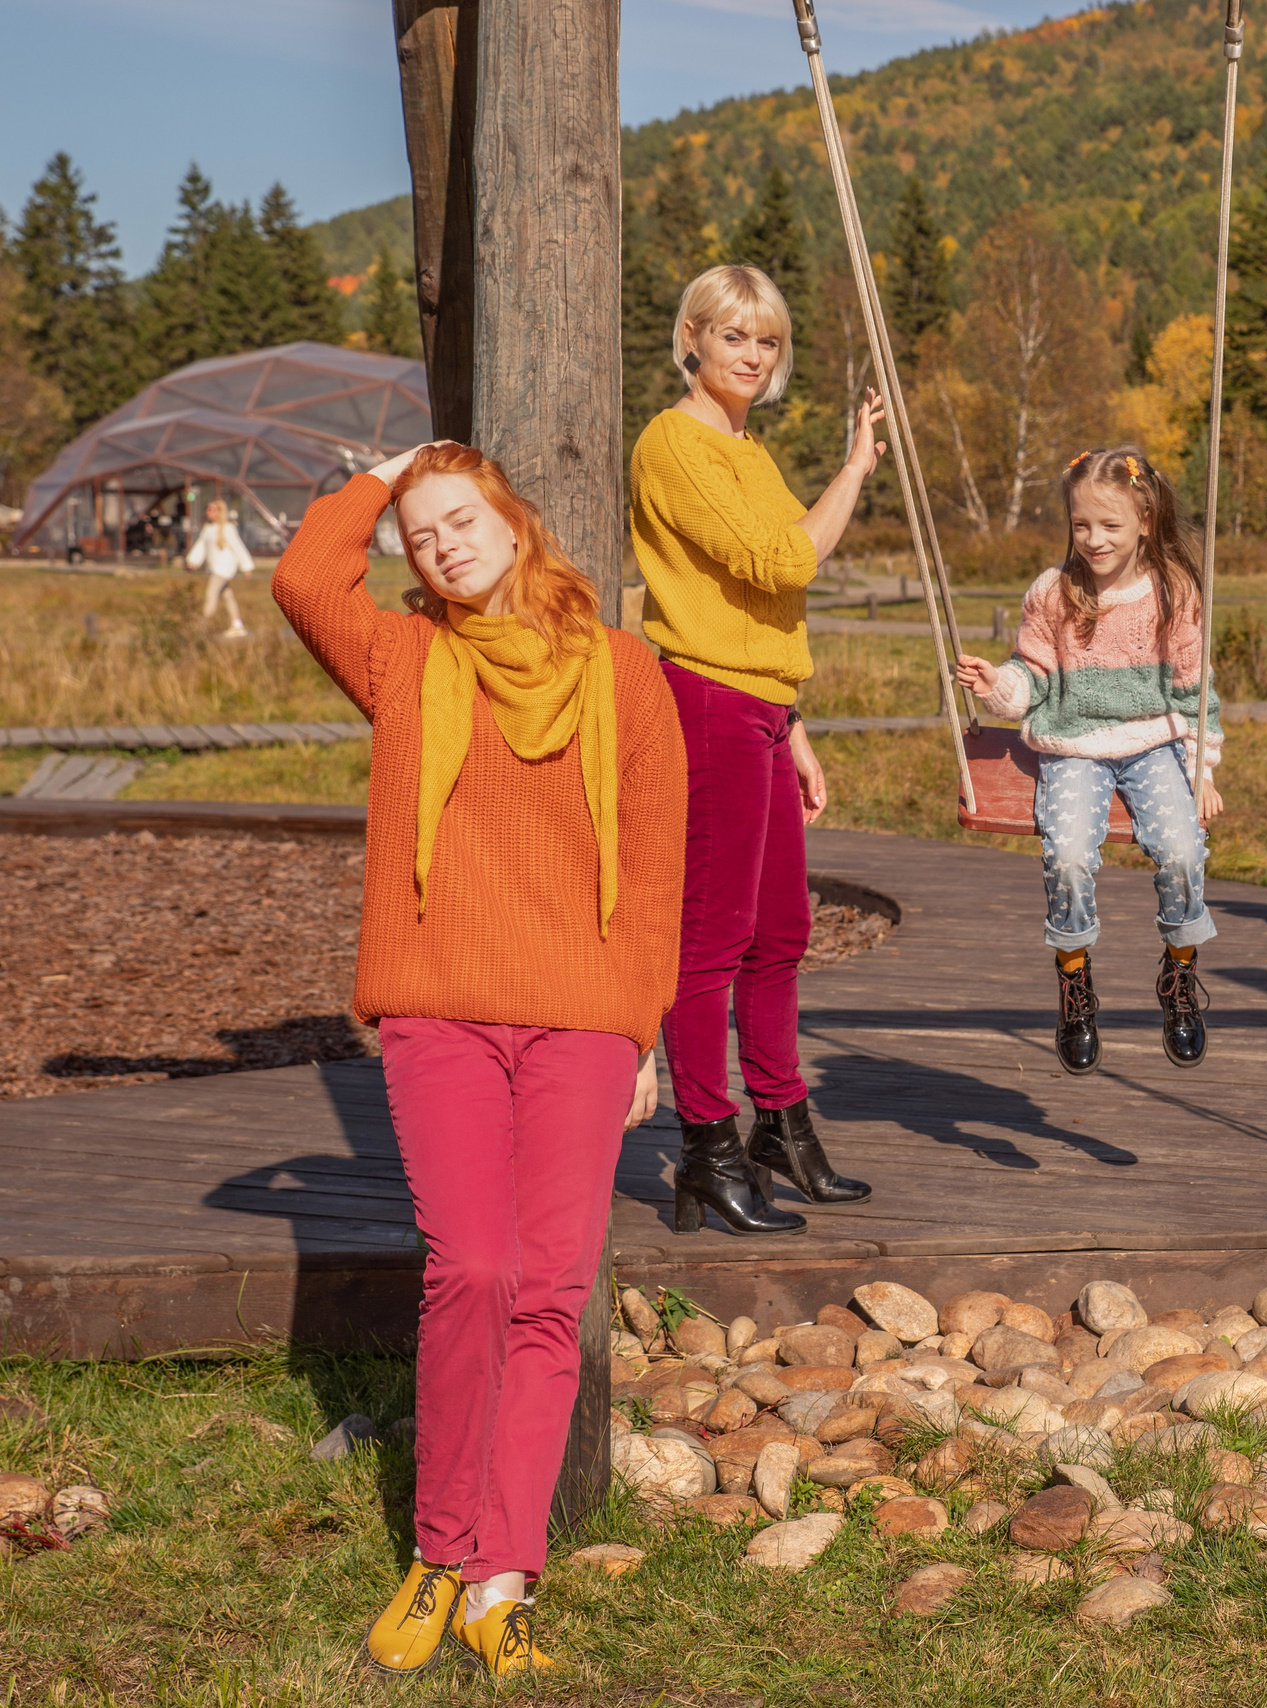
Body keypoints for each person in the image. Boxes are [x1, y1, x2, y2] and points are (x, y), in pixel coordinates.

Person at [272, 440, 685, 1680]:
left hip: (582, 1016)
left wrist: (646, 1028)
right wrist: (380, 476)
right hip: (441, 1008)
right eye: (420, 533)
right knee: (475, 1266)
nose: (442, 543)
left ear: (514, 521)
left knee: (553, 1286)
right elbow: (303, 579)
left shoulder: (624, 670)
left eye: (460, 518)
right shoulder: (405, 660)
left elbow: (661, 864)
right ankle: (440, 1549)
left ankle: (505, 1579)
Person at [628, 263, 889, 1235]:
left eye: (767, 340)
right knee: (713, 936)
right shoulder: (674, 443)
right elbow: (783, 560)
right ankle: (707, 1142)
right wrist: (855, 469)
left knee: (780, 931)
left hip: (761, 709)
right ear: (690, 337)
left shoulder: (748, 451)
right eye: (732, 334)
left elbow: (767, 603)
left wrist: (797, 726)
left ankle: (782, 1122)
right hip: (703, 702)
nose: (751, 354)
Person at [953, 446, 1223, 1076]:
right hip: (1073, 745)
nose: (1094, 540)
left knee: (1182, 851)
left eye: (1110, 526)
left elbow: (1193, 685)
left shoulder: (1173, 592)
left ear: (1145, 523)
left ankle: (1179, 977)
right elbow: (1034, 677)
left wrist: (1203, 764)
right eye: (1081, 525)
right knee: (1069, 854)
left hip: (1152, 741)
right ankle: (1075, 985)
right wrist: (997, 685)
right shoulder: (1053, 593)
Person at [187, 498, 255, 637]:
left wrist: (246, 566)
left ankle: (201, 627)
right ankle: (237, 625)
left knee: (211, 594)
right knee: (228, 596)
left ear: (219, 512)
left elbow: (238, 547)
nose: (208, 512)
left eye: (211, 509)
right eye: (208, 509)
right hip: (214, 568)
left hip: (224, 569)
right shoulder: (208, 529)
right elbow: (201, 546)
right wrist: (192, 561)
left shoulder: (228, 528)